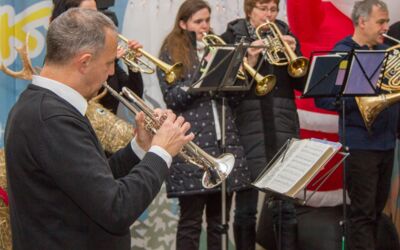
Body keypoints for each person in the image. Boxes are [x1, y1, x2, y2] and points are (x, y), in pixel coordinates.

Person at [4, 8, 194, 250]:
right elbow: (117, 208)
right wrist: (161, 152)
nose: (112, 72)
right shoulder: (51, 118)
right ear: (84, 62)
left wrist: (141, 146)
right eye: (109, 63)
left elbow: (94, 183)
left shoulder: (43, 107)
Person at [157, 0, 251, 249]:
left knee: (220, 222)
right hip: (194, 146)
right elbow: (173, 98)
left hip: (224, 141)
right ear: (183, 23)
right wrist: (205, 74)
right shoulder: (171, 51)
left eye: (207, 20)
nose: (205, 26)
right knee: (190, 222)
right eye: (198, 21)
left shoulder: (217, 48)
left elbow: (236, 98)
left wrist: (236, 73)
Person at [220, 0, 306, 249]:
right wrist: (251, 59)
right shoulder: (231, 37)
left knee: (285, 207)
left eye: (273, 9)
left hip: (283, 125)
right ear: (249, 10)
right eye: (263, 9)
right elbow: (227, 91)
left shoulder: (286, 34)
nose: (269, 15)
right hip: (247, 127)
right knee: (246, 209)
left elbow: (300, 84)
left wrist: (295, 53)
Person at [315, 1, 398, 249]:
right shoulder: (342, 53)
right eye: (381, 22)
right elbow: (325, 98)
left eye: (386, 21)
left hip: (386, 142)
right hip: (360, 144)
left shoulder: (387, 52)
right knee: (362, 214)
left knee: (375, 212)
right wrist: (360, 94)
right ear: (362, 22)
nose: (386, 27)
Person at [51, 0, 144, 114]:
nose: (96, 21)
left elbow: (133, 95)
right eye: (88, 13)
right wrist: (110, 60)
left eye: (97, 14)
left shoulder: (102, 55)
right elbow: (91, 95)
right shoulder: (64, 59)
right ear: (69, 17)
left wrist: (132, 63)